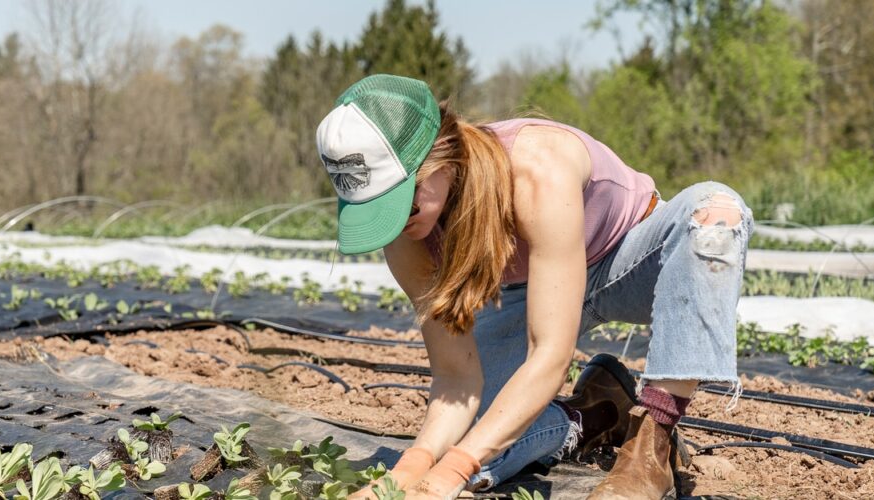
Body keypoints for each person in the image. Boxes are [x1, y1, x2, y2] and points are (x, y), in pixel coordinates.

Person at [316, 74, 753, 500]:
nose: (395, 220)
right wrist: (413, 469)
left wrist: (454, 468)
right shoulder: (404, 233)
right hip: (534, 290)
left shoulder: (534, 167)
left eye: (399, 199)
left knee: (715, 213)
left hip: (630, 263)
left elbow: (550, 354)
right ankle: (591, 414)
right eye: (375, 208)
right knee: (475, 440)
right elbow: (456, 380)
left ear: (441, 157)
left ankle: (652, 443)